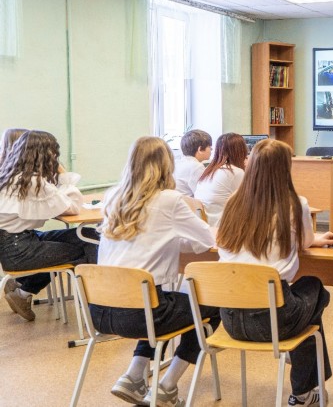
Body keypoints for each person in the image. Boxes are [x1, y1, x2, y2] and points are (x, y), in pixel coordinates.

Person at [94, 136, 220, 407]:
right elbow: (207, 239)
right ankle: (167, 385)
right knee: (210, 306)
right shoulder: (169, 200)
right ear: (166, 165)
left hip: (101, 312)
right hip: (141, 315)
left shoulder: (113, 196)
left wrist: (172, 240)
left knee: (155, 301)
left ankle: (134, 375)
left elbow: (145, 238)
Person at [216, 139, 333, 407]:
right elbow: (305, 241)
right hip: (273, 321)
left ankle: (305, 386)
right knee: (314, 288)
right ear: (285, 169)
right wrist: (316, 240)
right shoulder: (294, 204)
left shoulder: (232, 203)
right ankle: (303, 391)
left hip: (230, 319)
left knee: (305, 304)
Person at [0, 130, 98, 322]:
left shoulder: (11, 175)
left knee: (89, 235)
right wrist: (63, 174)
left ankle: (23, 288)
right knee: (85, 249)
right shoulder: (32, 182)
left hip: (18, 242)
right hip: (20, 250)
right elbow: (73, 206)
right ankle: (98, 309)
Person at [193, 132, 247, 226]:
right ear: (242, 151)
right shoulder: (235, 172)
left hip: (207, 224)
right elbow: (249, 201)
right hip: (223, 226)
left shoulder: (209, 170)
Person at [173, 129, 212, 197]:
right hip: (187, 202)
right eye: (209, 147)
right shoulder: (196, 167)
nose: (211, 149)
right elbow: (203, 194)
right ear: (200, 149)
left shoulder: (178, 163)